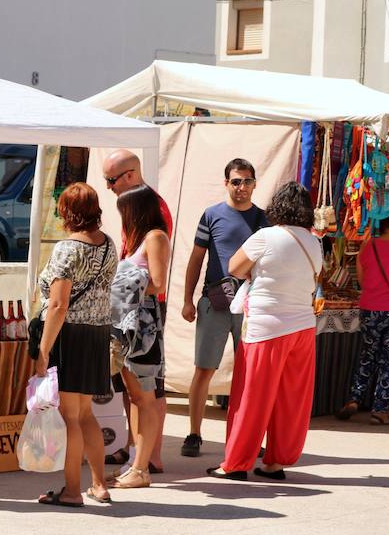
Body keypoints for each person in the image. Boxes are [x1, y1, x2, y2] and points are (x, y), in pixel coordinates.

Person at [207, 182, 322, 481]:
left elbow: (233, 266)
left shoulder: (265, 237)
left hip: (266, 326)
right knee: (291, 398)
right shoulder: (314, 242)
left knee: (251, 396)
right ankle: (277, 462)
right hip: (303, 326)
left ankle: (236, 463)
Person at [35, 182, 117, 508]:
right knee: (85, 414)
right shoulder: (108, 244)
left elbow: (58, 305)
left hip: (70, 336)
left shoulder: (67, 249)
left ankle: (72, 490)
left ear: (67, 212)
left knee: (71, 417)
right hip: (97, 333)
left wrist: (43, 350)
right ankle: (99, 484)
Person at [180, 158, 269, 458]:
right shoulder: (211, 215)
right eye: (235, 181)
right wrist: (187, 299)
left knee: (251, 373)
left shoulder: (263, 219)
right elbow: (196, 258)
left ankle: (247, 438)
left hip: (251, 304)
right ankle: (194, 433)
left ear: (255, 183)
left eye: (246, 181)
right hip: (215, 301)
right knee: (204, 368)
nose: (241, 187)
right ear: (226, 183)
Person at [101, 149, 172, 473]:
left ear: (129, 175)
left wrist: (126, 281)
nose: (109, 187)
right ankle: (137, 454)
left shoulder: (152, 212)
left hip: (146, 314)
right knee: (135, 391)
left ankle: (148, 458)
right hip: (131, 312)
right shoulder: (136, 207)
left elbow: (157, 277)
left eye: (111, 180)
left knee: (148, 389)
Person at [337, 204, 389, 426]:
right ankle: (379, 410)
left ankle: (354, 399)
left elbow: (362, 281)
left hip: (370, 309)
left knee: (368, 355)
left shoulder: (367, 247)